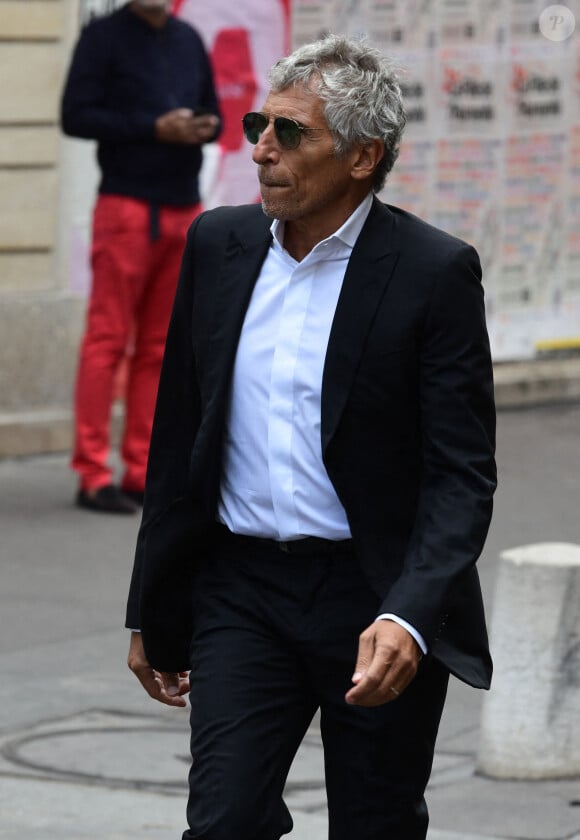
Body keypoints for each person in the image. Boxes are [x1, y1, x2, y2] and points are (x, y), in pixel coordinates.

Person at [126, 34, 497, 839]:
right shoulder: (217, 245)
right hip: (240, 591)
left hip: (373, 599)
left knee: (374, 823)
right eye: (261, 124)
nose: (261, 148)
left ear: (363, 158)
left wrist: (410, 615)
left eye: (290, 132)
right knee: (223, 822)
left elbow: (461, 475)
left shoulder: (433, 271)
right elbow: (179, 433)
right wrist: (148, 608)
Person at [61, 0, 221, 514]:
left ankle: (140, 469)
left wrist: (202, 126)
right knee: (107, 338)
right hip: (126, 206)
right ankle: (91, 471)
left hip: (182, 205)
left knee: (161, 347)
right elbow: (75, 115)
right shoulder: (103, 36)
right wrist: (153, 127)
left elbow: (213, 112)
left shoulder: (188, 39)